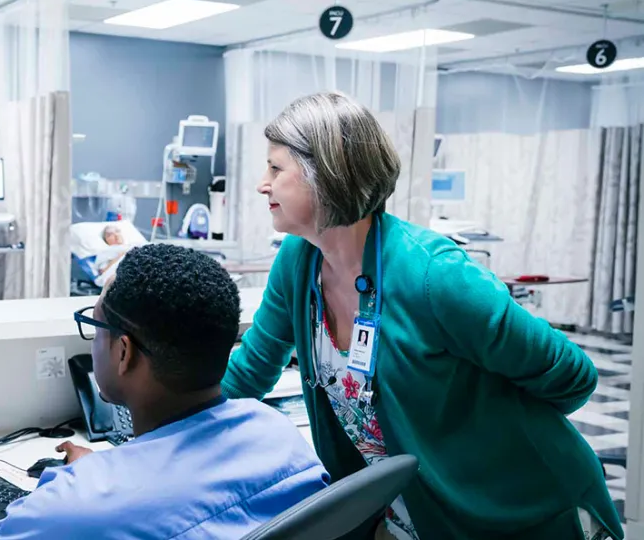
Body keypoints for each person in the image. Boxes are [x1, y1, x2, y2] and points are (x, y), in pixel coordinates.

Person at [222, 92, 622, 540]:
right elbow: (251, 371)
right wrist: (168, 426)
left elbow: (572, 377)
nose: (262, 183)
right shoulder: (299, 262)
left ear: (326, 174)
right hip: (423, 510)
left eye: (276, 168)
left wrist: (481, 438)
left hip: (519, 507)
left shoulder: (435, 277)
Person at [0, 244, 328, 540]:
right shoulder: (281, 437)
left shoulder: (71, 505)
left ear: (123, 352)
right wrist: (103, 472)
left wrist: (87, 482)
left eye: (95, 327)